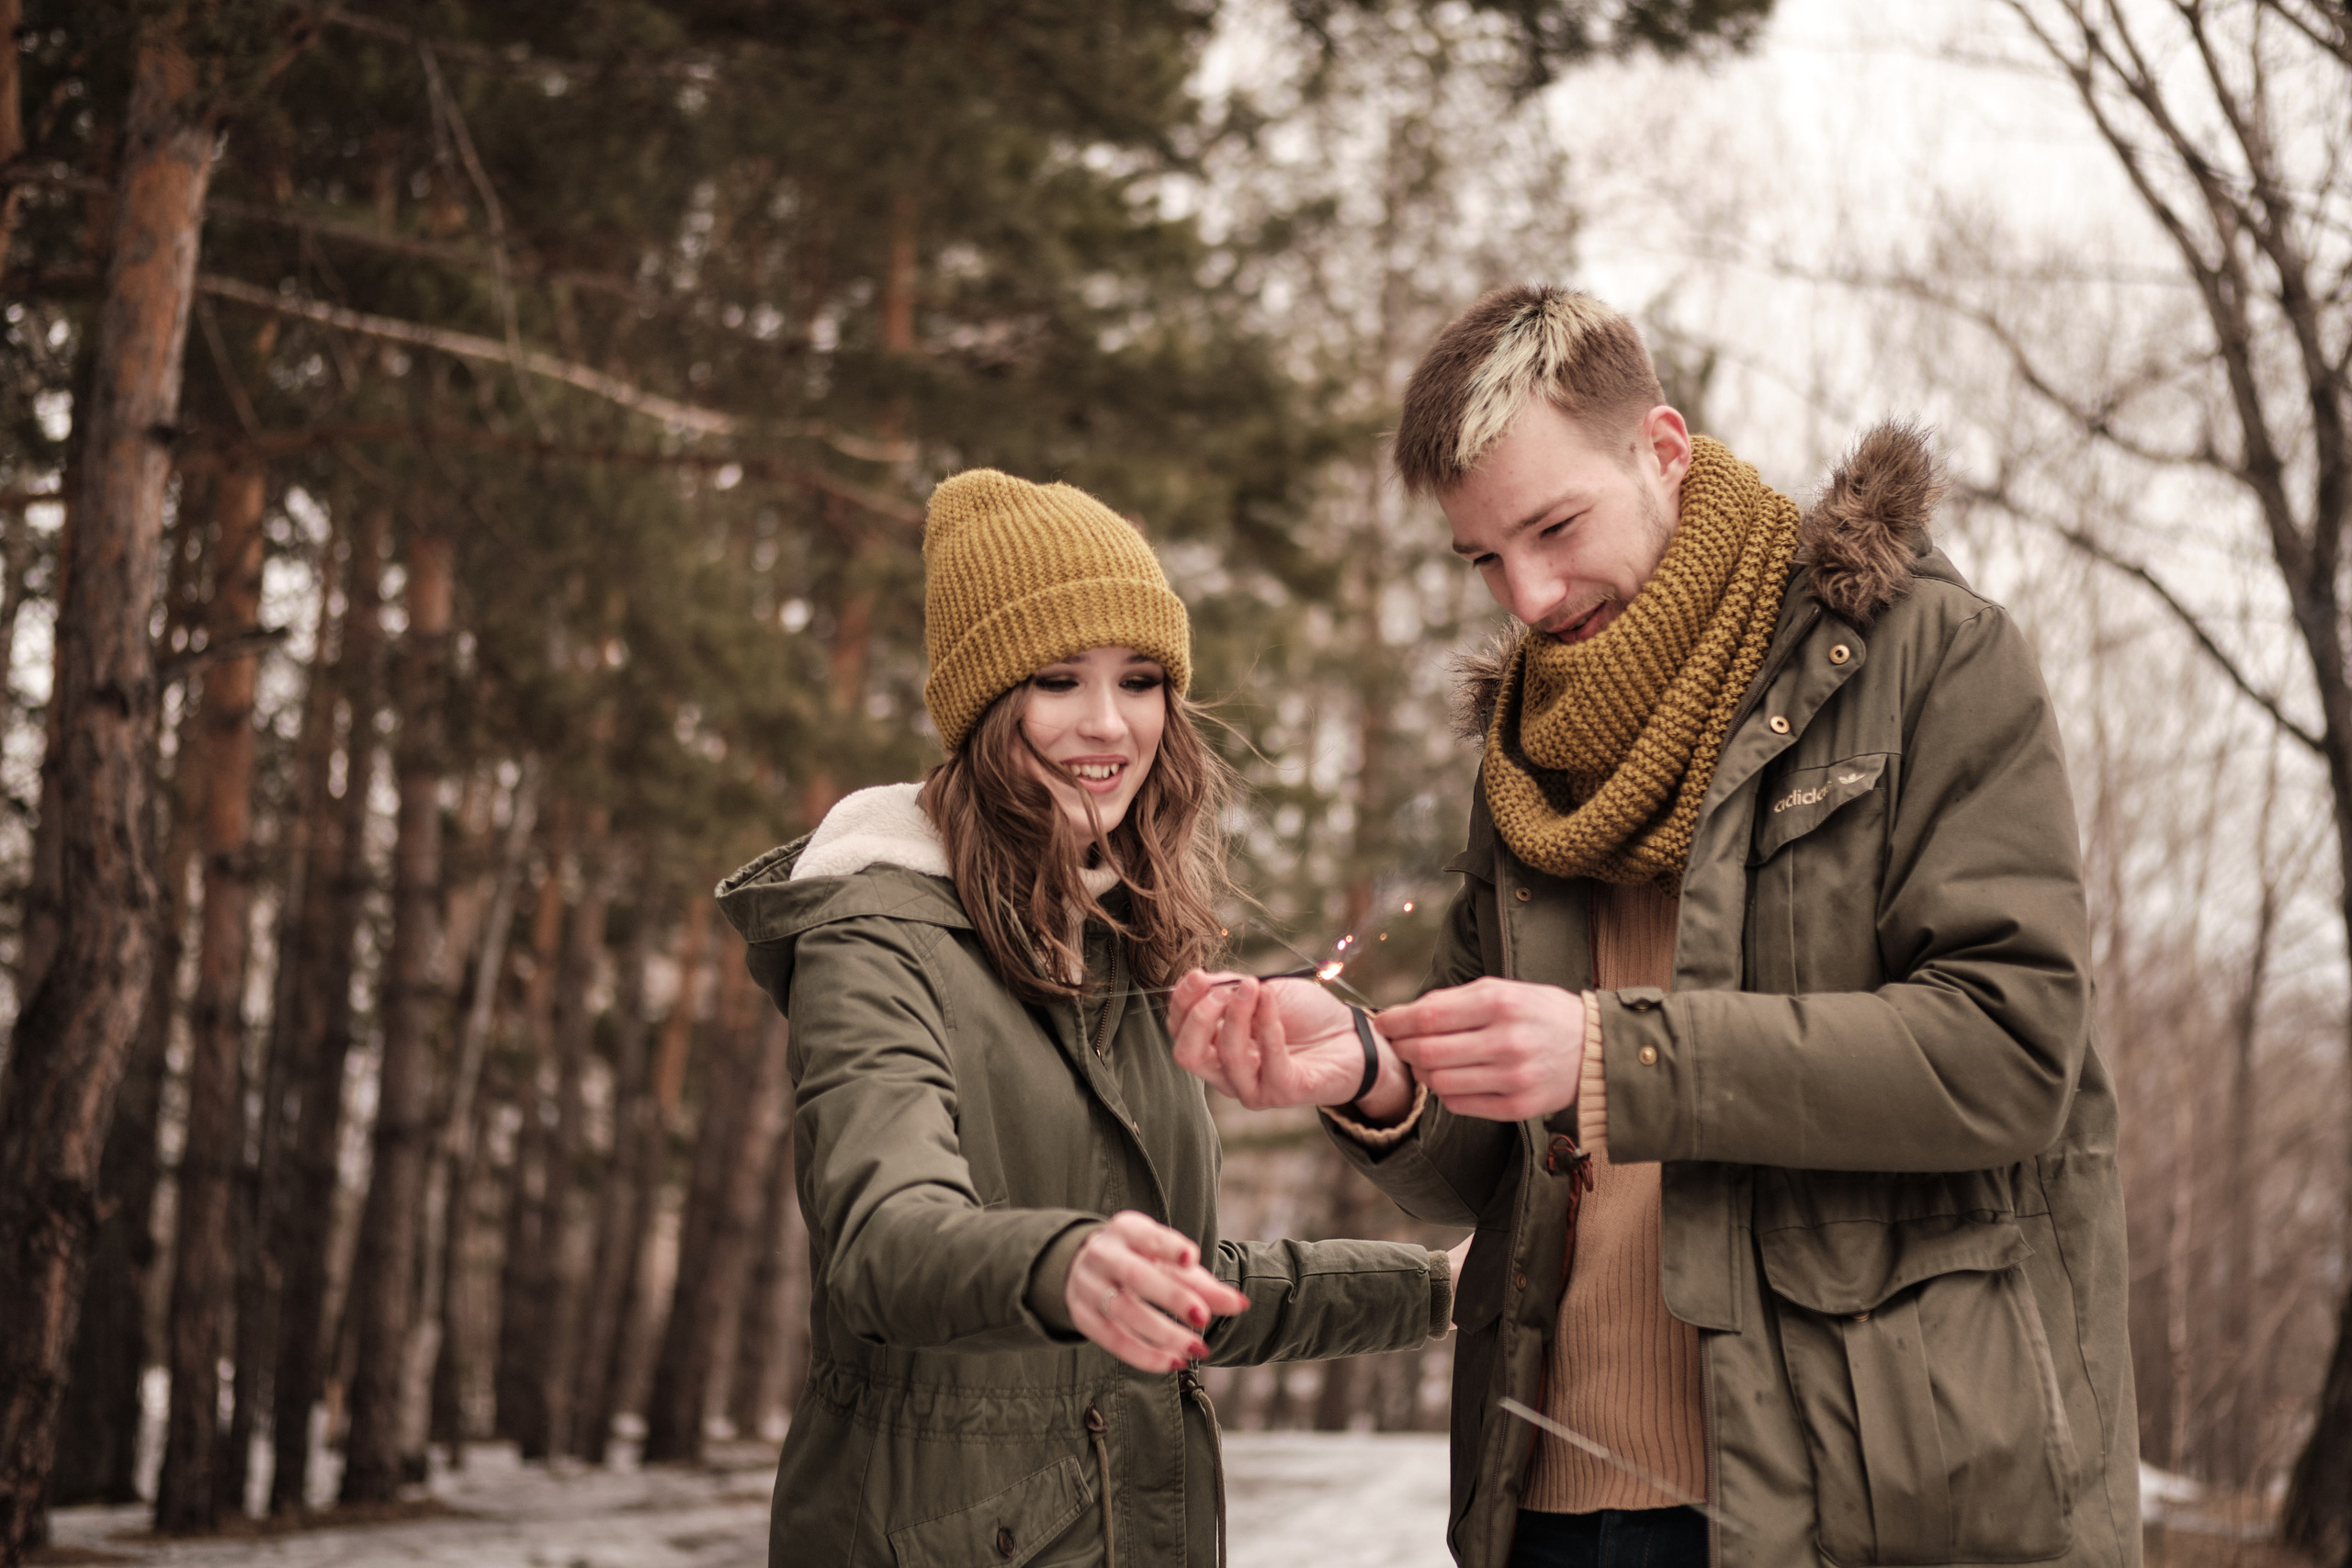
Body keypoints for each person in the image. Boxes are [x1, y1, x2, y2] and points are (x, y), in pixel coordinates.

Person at [1169, 287, 2138, 1568]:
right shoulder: (1524, 759)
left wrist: (1610, 1058)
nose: (1529, 593)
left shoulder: (1931, 663)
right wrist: (1368, 1070)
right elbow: (1485, 1165)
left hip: (1858, 1496)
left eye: (1554, 526)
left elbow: (2011, 1057)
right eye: (1483, 559)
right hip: (1550, 1493)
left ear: (1662, 447)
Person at [717, 468, 1454, 1568]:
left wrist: (1439, 1286)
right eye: (1058, 680)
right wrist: (1063, 1264)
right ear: (982, 701)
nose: (1108, 725)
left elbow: (1180, 1285)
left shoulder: (1123, 942)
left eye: (1141, 679)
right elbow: (882, 1240)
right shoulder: (873, 933)